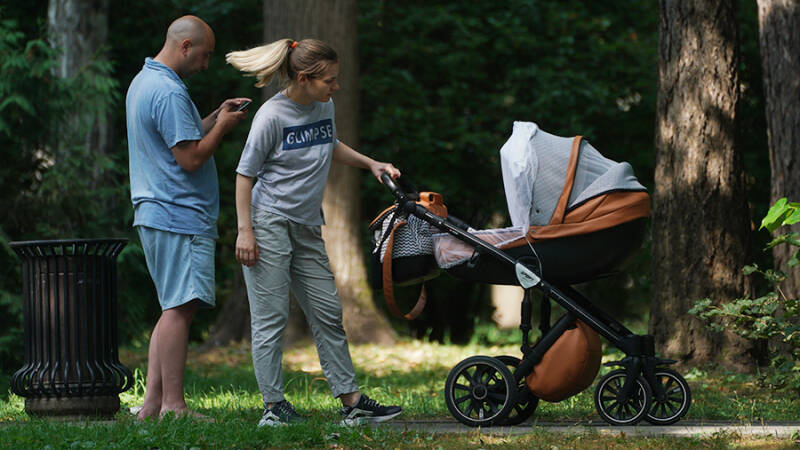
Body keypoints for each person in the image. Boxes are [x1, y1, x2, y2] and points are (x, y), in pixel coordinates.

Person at [226, 38, 403, 427]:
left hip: (307, 224)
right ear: (305, 78)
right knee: (271, 318)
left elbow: (329, 143)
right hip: (268, 222)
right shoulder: (271, 116)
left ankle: (351, 401)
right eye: (329, 80)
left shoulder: (324, 105)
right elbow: (244, 175)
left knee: (327, 312)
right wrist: (245, 232)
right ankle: (273, 407)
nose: (335, 87)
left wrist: (371, 163)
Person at [125, 15, 250, 420]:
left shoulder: (145, 81)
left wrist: (215, 116)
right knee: (181, 307)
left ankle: (151, 407)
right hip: (178, 212)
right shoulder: (169, 92)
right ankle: (174, 407)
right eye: (204, 55)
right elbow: (191, 157)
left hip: (156, 209)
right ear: (185, 47)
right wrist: (227, 127)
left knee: (171, 307)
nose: (206, 64)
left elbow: (182, 137)